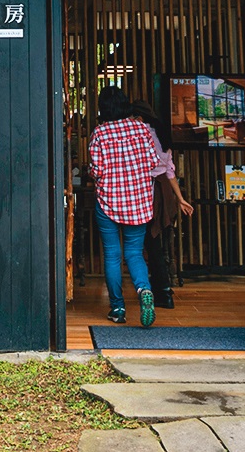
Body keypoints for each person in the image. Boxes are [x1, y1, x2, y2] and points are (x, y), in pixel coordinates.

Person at [87, 85, 161, 326]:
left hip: (108, 201)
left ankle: (118, 308)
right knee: (134, 253)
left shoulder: (100, 133)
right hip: (138, 201)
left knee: (112, 254)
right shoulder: (141, 129)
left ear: (102, 108)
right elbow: (154, 162)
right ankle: (144, 289)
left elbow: (97, 171)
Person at [132, 102, 193, 308]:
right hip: (164, 192)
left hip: (148, 191)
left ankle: (162, 291)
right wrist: (180, 198)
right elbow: (170, 171)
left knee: (150, 242)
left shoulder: (141, 135)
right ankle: (162, 289)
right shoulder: (162, 135)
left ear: (139, 118)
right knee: (156, 241)